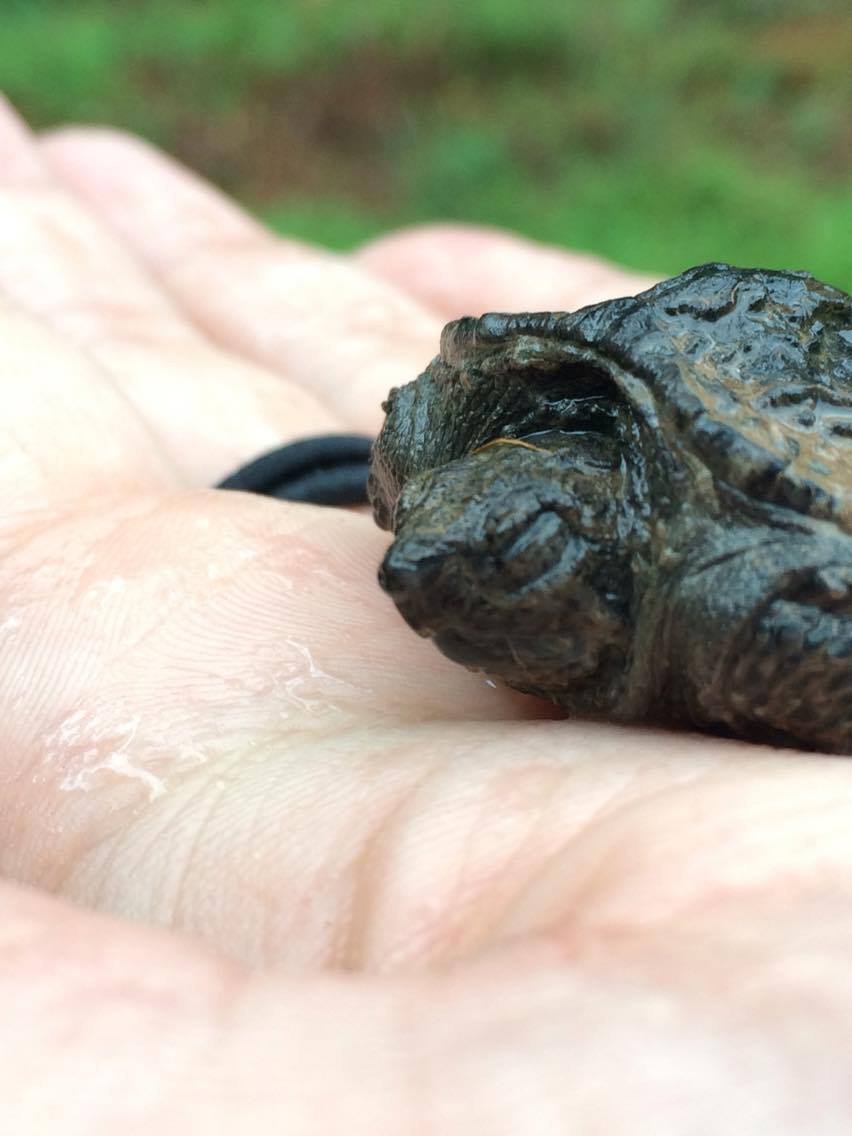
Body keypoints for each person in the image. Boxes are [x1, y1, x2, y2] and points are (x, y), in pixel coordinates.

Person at [0, 92, 850, 1132]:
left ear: (625, 543)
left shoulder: (739, 595)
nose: (427, 585)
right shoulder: (446, 428)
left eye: (521, 557)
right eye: (416, 563)